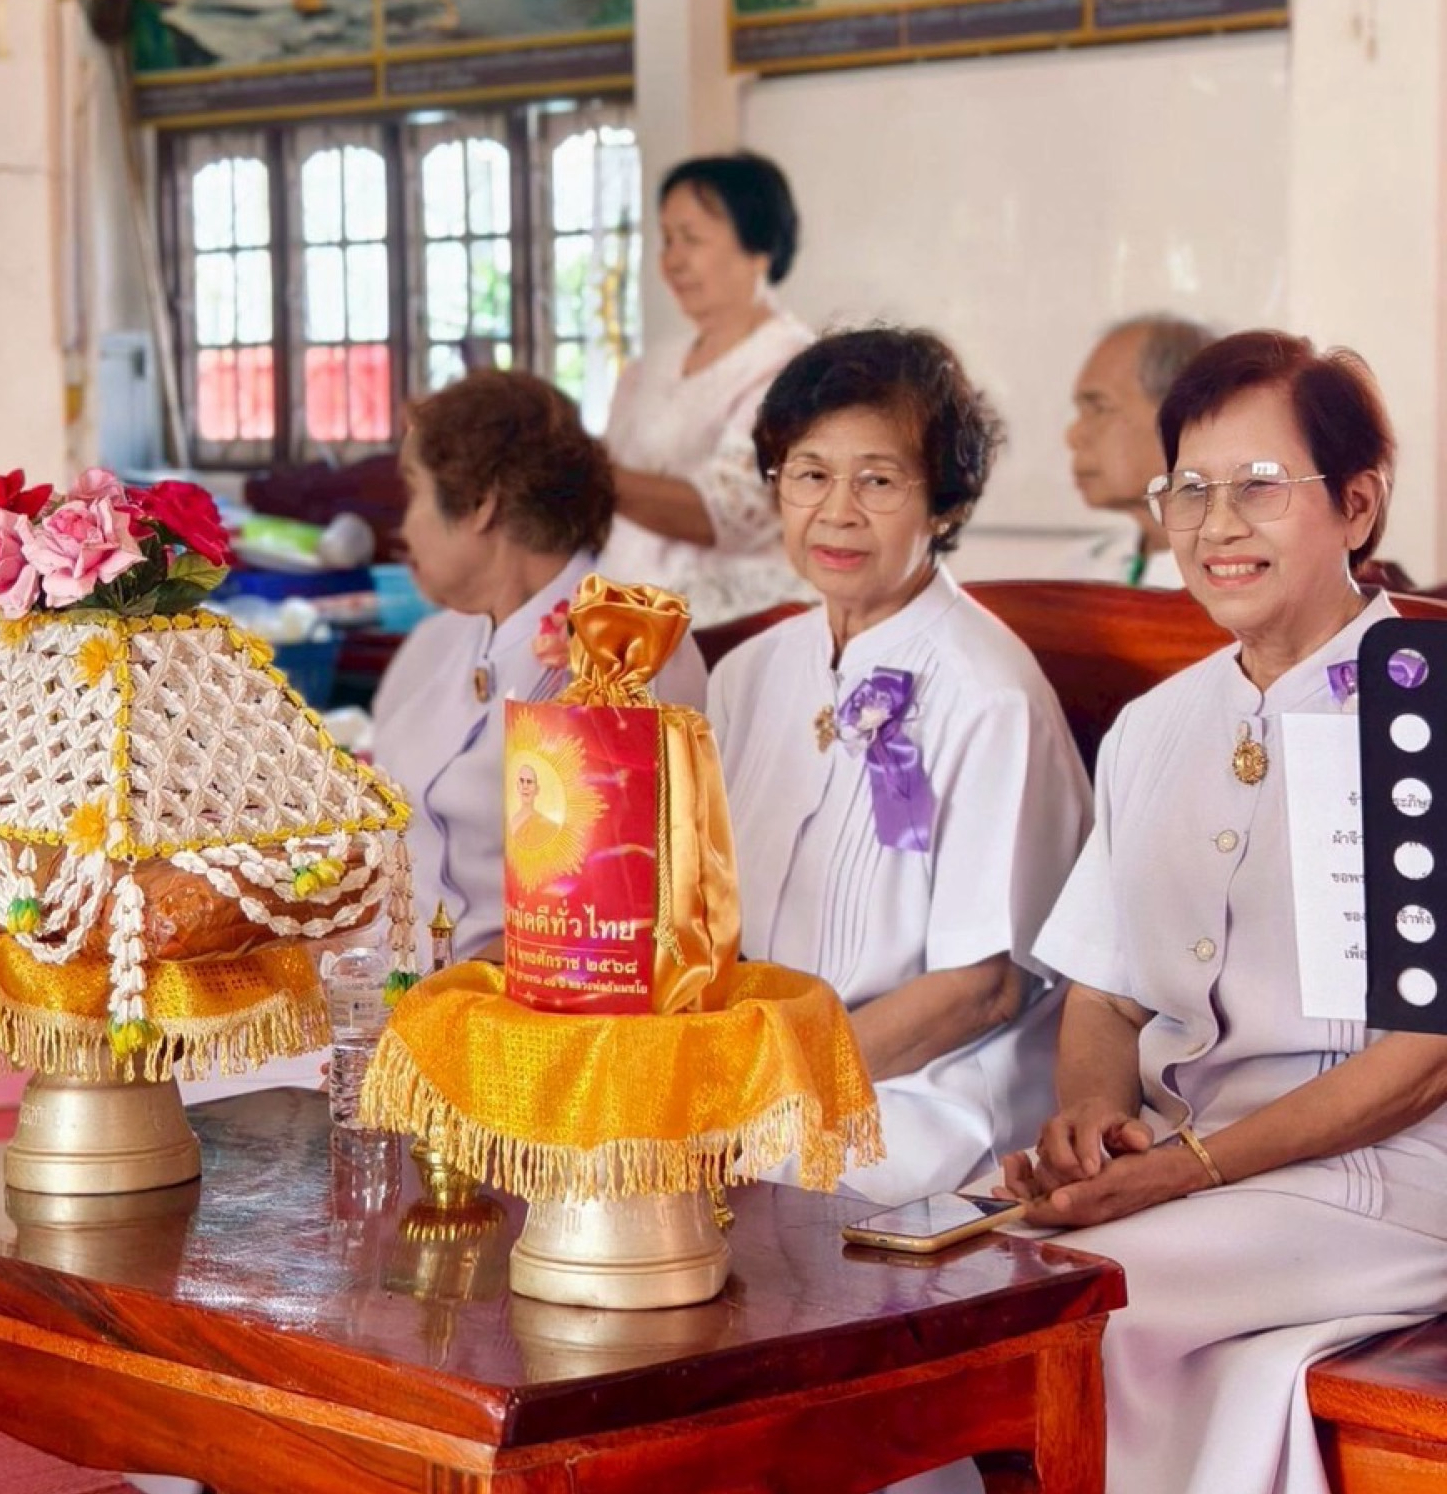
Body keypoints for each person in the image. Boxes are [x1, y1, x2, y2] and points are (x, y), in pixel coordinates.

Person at [786, 330, 1447, 1494]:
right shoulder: (1158, 722)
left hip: (1383, 1167)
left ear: (1357, 501)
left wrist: (1173, 1170)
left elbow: (1422, 1061)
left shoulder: (1422, 706)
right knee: (947, 1259)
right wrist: (1092, 1108)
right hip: (1203, 1156)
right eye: (1190, 486)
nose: (1218, 521)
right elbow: (1097, 983)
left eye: (1263, 485)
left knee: (1085, 1306)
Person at [710, 328, 1090, 1202]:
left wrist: (763, 1086)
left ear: (944, 505)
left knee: (701, 1184)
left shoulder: (989, 696)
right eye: (809, 475)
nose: (837, 511)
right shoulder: (751, 674)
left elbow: (981, 990)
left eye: (878, 480)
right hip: (756, 1069)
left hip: (925, 1094)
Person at [376, 368, 706, 965]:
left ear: (479, 504)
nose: (404, 526)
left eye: (414, 490)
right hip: (403, 983)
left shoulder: (625, 651)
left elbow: (610, 919)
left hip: (536, 1016)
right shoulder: (435, 643)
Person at [600, 151, 812, 627]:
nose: (672, 260)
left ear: (759, 249)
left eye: (691, 239)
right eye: (666, 239)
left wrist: (580, 470)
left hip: (734, 628)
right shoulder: (649, 367)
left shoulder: (792, 365)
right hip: (625, 625)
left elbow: (727, 515)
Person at [1063, 314, 1215, 585]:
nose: (1073, 436)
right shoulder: (1078, 569)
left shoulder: (1235, 579)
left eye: (1098, 408)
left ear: (1181, 415)